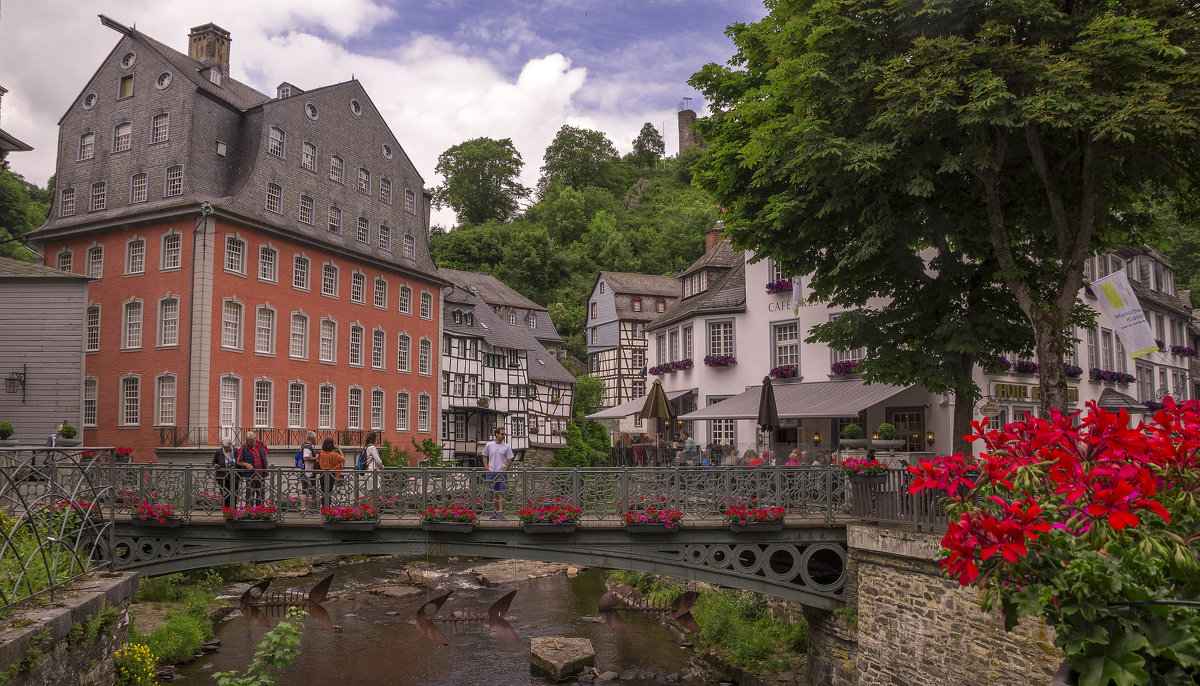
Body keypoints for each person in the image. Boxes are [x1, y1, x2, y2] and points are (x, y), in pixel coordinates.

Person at [482, 426, 514, 519]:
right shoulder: (489, 445)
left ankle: (501, 513)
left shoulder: (506, 446)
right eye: (502, 434)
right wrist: (487, 468)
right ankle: (496, 513)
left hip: (501, 473)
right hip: (492, 472)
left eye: (504, 434)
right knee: (493, 494)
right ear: (496, 434)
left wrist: (505, 469)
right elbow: (484, 455)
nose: (504, 436)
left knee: (501, 493)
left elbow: (510, 458)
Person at [240, 430, 269, 505]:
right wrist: (246, 465)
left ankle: (260, 511)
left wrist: (267, 469)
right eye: (250, 442)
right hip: (250, 475)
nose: (253, 443)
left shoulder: (261, 444)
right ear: (247, 441)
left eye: (254, 441)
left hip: (261, 473)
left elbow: (265, 456)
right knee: (250, 493)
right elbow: (239, 461)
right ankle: (249, 511)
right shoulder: (243, 448)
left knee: (261, 493)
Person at [212, 437, 240, 509]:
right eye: (225, 447)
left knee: (234, 494)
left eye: (228, 447)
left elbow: (239, 461)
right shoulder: (219, 452)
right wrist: (216, 465)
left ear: (231, 445)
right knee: (225, 494)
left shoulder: (236, 451)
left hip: (234, 477)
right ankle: (226, 511)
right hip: (223, 477)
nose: (227, 449)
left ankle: (233, 510)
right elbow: (214, 462)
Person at [316, 437, 345, 508]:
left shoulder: (321, 452)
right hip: (330, 474)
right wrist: (339, 449)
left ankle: (323, 507)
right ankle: (327, 508)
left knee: (323, 491)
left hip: (322, 474)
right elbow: (342, 459)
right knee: (329, 492)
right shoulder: (334, 454)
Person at [299, 431, 318, 513]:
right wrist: (316, 457)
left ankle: (307, 508)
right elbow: (306, 458)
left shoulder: (304, 445)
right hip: (307, 472)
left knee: (308, 490)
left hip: (307, 471)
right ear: (313, 438)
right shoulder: (307, 447)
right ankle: (304, 509)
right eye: (315, 438)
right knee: (305, 490)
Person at [362, 432, 382, 508]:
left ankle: (370, 510)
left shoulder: (366, 448)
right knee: (373, 493)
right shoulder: (372, 448)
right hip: (371, 473)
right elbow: (378, 460)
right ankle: (369, 511)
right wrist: (380, 465)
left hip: (367, 472)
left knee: (372, 493)